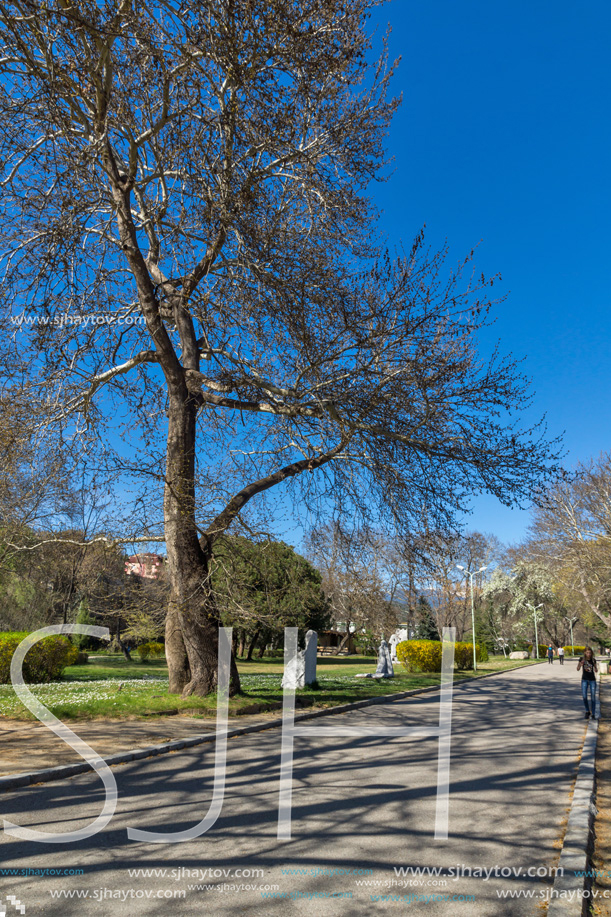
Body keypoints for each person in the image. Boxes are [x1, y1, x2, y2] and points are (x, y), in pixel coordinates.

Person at [577, 647, 598, 719]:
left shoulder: (593, 660)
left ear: (591, 653)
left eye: (590, 653)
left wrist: (595, 668)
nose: (588, 654)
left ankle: (593, 713)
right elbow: (577, 669)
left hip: (592, 680)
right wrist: (580, 664)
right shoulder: (582, 659)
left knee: (593, 698)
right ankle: (587, 711)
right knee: (584, 696)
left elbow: (596, 670)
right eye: (587, 653)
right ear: (585, 653)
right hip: (584, 680)